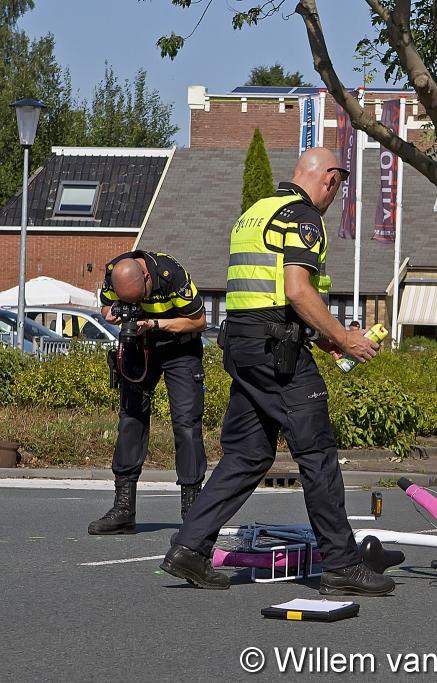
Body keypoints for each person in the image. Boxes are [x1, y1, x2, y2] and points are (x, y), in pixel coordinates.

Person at [161, 147, 394, 596]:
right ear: (330, 179)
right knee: (317, 454)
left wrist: (324, 338)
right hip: (277, 353)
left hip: (244, 346)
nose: (334, 197)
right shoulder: (304, 218)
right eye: (337, 187)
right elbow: (297, 290)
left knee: (248, 455)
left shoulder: (255, 213)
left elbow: (267, 296)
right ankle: (342, 565)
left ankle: (189, 548)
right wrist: (344, 338)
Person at [88, 251, 208, 535]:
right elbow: (105, 309)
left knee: (186, 424)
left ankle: (192, 511)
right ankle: (124, 508)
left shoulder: (171, 275)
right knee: (130, 420)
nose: (138, 304)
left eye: (140, 298)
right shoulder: (114, 271)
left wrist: (154, 324)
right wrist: (114, 314)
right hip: (139, 346)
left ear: (146, 277)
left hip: (180, 348)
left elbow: (199, 321)